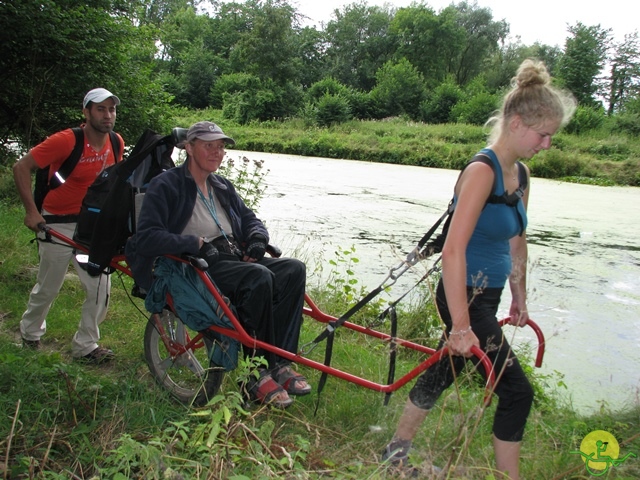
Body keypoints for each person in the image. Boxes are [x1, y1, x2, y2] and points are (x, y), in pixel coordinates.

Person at [382, 59, 576, 478]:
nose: (546, 145)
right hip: (462, 292)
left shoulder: (520, 175)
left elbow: (518, 238)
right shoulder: (481, 171)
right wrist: (461, 324)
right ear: (518, 123)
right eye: (544, 135)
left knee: (446, 370)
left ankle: (395, 450)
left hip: (488, 295)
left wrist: (520, 296)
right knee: (516, 391)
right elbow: (452, 251)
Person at [126, 121, 310, 408]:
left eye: (221, 147)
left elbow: (250, 219)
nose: (217, 152)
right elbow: (147, 237)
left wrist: (258, 238)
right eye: (208, 145)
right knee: (258, 277)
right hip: (195, 263)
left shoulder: (222, 185)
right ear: (188, 147)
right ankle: (256, 374)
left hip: (232, 255)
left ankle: (280, 363)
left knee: (293, 269)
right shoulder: (167, 185)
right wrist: (194, 243)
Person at [13, 88, 124, 363]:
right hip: (56, 224)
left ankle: (86, 346)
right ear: (86, 113)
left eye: (111, 109)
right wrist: (31, 212)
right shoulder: (65, 141)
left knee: (99, 286)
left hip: (92, 227)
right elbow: (21, 167)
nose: (107, 115)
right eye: (100, 109)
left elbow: (115, 183)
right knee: (49, 285)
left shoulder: (116, 142)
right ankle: (30, 334)